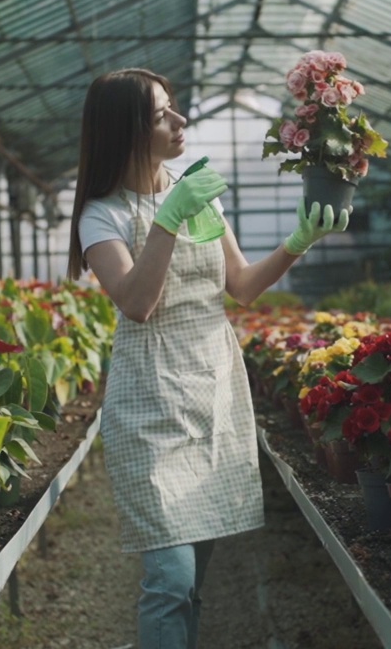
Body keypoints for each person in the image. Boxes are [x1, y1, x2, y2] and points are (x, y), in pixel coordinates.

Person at [65, 68, 349, 649]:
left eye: (175, 108)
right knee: (170, 578)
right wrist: (169, 217)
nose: (180, 120)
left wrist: (297, 244)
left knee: (193, 582)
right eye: (162, 115)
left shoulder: (190, 188)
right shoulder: (103, 214)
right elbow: (138, 303)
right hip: (149, 404)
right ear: (126, 131)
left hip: (213, 392)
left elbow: (241, 287)